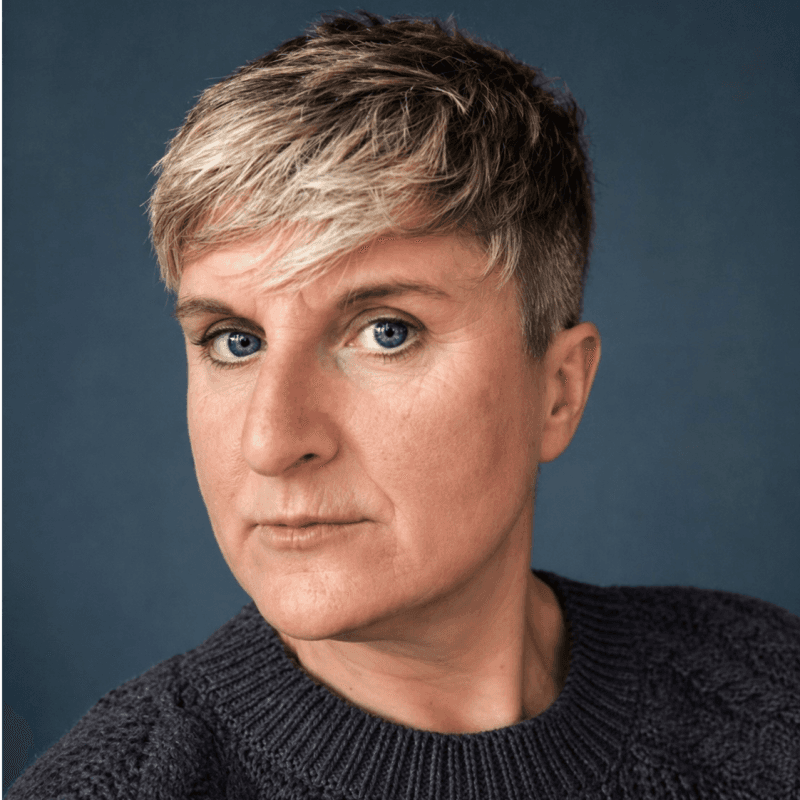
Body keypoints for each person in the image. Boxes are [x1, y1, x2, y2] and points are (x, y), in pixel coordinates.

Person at [9, 10, 799, 799]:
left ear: (559, 391)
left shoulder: (772, 692)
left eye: (387, 332)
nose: (271, 441)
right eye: (234, 341)